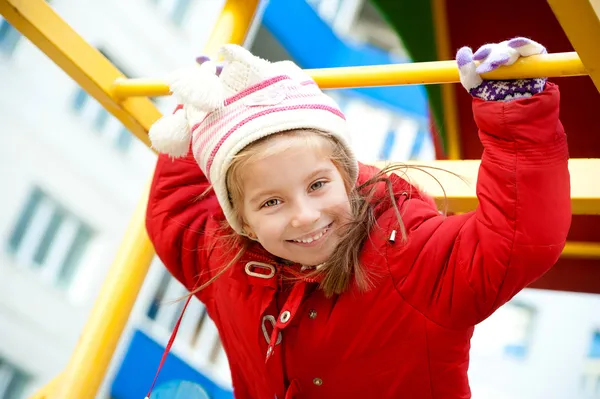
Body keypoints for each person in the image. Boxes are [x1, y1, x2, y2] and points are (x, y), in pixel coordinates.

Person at [144, 38, 571, 398]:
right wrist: (199, 116)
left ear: (346, 175)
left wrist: (516, 112)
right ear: (241, 218)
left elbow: (516, 239)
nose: (304, 216)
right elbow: (175, 210)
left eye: (317, 185)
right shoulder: (224, 262)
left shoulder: (410, 257)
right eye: (271, 202)